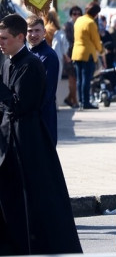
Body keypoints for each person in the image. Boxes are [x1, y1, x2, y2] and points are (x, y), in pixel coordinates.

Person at [0, 14, 82, 255]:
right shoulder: (7, 63)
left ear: (19, 37)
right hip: (8, 139)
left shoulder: (31, 64)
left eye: (4, 38)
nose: (0, 43)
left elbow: (21, 104)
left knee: (33, 200)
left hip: (28, 140)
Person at [27, 15, 60, 145]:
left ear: (44, 32)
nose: (33, 34)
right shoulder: (28, 53)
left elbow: (47, 90)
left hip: (42, 116)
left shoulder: (48, 56)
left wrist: (34, 114)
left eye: (37, 30)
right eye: (30, 31)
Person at [72, 1, 103, 110]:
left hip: (76, 53)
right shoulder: (91, 23)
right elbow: (96, 40)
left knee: (79, 80)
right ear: (96, 13)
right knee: (86, 79)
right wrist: (101, 50)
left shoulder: (79, 20)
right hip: (87, 53)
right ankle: (86, 102)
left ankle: (81, 101)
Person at [63, 6, 82, 108]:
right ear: (71, 15)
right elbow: (68, 41)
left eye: (79, 13)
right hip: (69, 55)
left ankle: (69, 99)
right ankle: (74, 101)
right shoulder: (68, 25)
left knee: (75, 78)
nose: (77, 15)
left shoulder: (81, 24)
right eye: (74, 14)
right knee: (72, 79)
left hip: (78, 55)